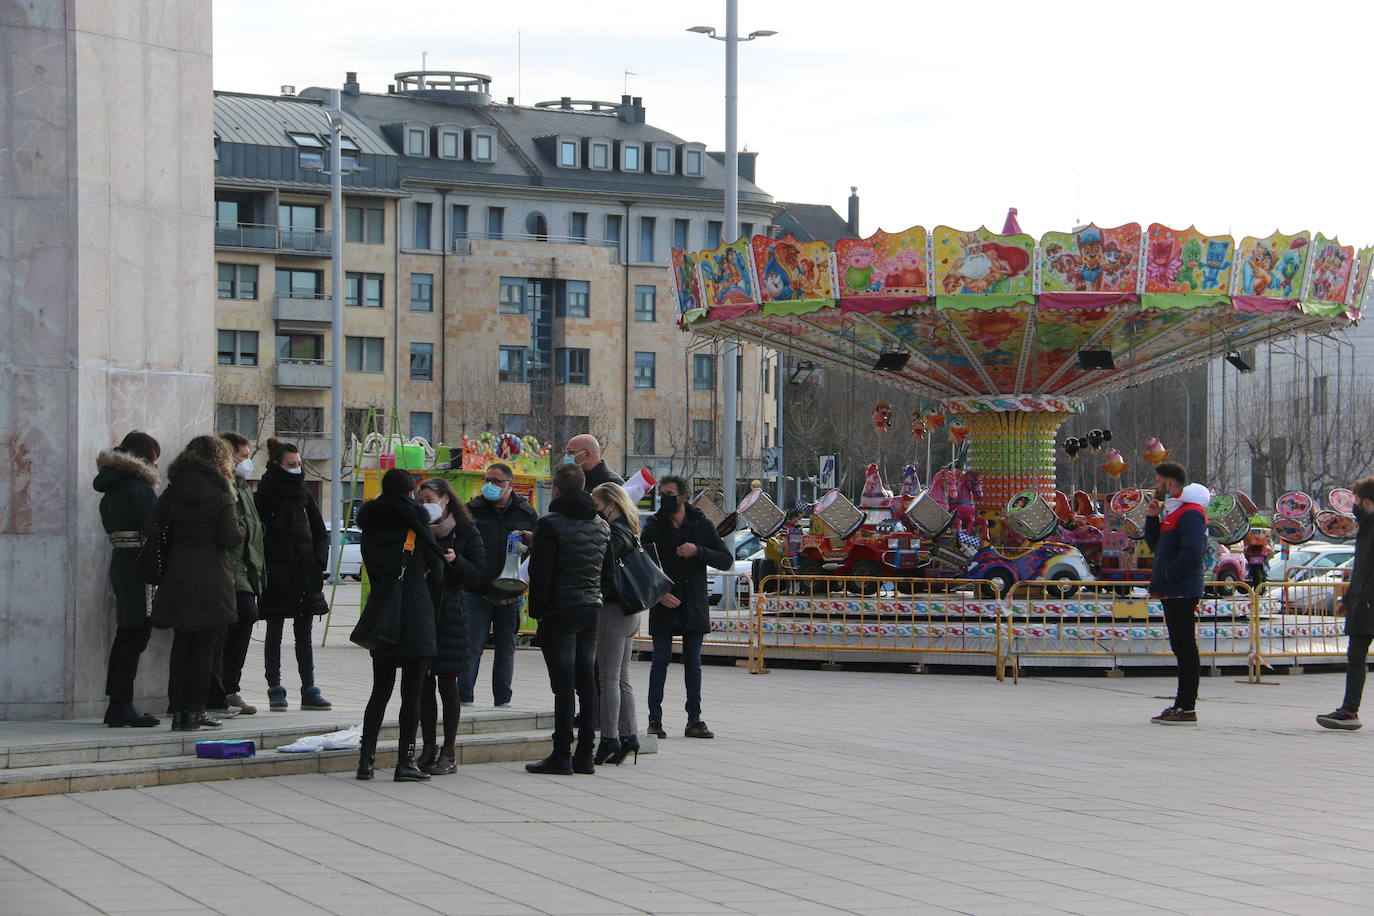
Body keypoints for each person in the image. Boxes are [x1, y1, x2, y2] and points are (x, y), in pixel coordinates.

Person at [355, 469, 445, 781]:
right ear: (410, 493)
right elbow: (438, 572)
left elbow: (373, 568)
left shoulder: (369, 526)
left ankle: (365, 760)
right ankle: (405, 762)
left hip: (383, 613)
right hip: (415, 614)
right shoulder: (416, 526)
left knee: (380, 691)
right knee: (412, 693)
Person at [148, 435, 243, 731]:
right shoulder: (221, 493)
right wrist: (241, 528)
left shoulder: (173, 490)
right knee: (206, 645)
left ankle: (177, 709)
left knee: (183, 643)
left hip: (177, 574)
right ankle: (195, 710)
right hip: (211, 577)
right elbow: (230, 538)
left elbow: (152, 525)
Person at [524, 463, 610, 775]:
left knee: (563, 684)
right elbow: (607, 572)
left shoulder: (549, 523)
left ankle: (561, 753)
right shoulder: (601, 524)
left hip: (560, 610)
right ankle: (585, 755)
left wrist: (536, 612)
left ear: (556, 490)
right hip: (590, 608)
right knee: (586, 681)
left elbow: (541, 572)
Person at [641, 476, 732, 739]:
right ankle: (654, 720)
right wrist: (659, 594)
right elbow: (643, 564)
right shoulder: (654, 526)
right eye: (662, 493)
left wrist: (698, 551)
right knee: (660, 661)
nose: (664, 498)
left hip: (692, 602)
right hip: (665, 603)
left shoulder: (701, 524)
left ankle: (694, 719)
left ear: (683, 496)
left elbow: (725, 559)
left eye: (669, 493)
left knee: (693, 662)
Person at [255, 438, 331, 711]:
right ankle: (275, 687)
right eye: (291, 465)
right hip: (277, 577)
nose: (297, 469)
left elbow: (320, 532)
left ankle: (309, 687)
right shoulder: (264, 495)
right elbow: (257, 537)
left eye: (299, 464)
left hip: (305, 575)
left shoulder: (304, 494)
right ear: (276, 465)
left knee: (304, 634)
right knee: (274, 631)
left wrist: (318, 561)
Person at [416, 477, 486, 774]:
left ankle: (448, 750)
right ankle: (428, 747)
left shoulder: (465, 530)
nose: (425, 505)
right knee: (422, 684)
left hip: (452, 614)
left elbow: (479, 574)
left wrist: (456, 560)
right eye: (420, 501)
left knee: (447, 682)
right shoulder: (418, 529)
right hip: (422, 611)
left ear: (445, 499)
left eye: (429, 499)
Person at [94, 431, 163, 727]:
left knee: (127, 634)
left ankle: (118, 703)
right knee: (135, 634)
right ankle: (121, 704)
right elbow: (154, 527)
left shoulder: (114, 485)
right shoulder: (139, 487)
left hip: (123, 562)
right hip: (140, 565)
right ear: (145, 459)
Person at [464, 461, 538, 707]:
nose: (490, 485)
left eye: (496, 481)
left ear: (509, 484)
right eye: (487, 480)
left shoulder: (526, 513)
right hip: (476, 592)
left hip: (510, 594)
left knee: (506, 650)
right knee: (472, 648)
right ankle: (463, 698)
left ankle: (503, 700)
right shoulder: (472, 510)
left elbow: (536, 551)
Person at [1142, 462, 1210, 725]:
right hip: (1172, 589)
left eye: (1159, 482)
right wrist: (1151, 517)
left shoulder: (1191, 512)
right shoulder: (1173, 511)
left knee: (1185, 648)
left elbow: (1193, 552)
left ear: (1171, 484)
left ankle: (1187, 705)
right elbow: (1156, 545)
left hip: (1181, 589)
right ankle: (1181, 704)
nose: (1156, 487)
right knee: (1180, 647)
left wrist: (1169, 573)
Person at [207, 432, 265, 716]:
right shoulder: (224, 487)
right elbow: (234, 533)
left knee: (243, 620)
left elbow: (253, 532)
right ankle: (219, 690)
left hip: (245, 568)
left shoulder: (243, 488)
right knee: (238, 618)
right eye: (242, 457)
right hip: (229, 569)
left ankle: (229, 687)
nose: (247, 462)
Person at [591, 482, 646, 766]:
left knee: (608, 678)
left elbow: (607, 572)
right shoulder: (631, 528)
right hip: (630, 609)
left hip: (613, 608)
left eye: (597, 505)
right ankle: (630, 737)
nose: (595, 511)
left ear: (610, 504)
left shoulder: (613, 533)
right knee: (622, 678)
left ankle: (610, 738)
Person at [1317, 477, 1374, 730]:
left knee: (1356, 656)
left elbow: (1363, 569)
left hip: (1368, 602)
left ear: (1368, 502)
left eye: (1359, 501)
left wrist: (1351, 599)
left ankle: (1350, 710)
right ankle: (1349, 709)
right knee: (1356, 655)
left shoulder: (1371, 528)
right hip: (1365, 600)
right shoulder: (1367, 526)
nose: (1356, 506)